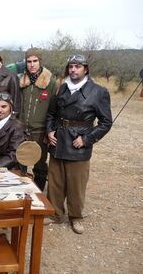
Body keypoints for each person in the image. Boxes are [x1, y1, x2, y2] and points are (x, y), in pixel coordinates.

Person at [46, 54, 112, 234]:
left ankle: (75, 217)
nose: (73, 70)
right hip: (58, 140)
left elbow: (106, 122)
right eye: (71, 66)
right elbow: (51, 114)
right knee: (55, 182)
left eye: (77, 66)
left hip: (78, 143)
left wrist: (87, 139)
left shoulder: (98, 92)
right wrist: (49, 131)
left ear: (86, 69)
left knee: (76, 184)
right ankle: (55, 214)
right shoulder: (62, 89)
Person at [19, 48, 58, 191]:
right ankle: (20, 193)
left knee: (40, 165)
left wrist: (50, 130)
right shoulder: (22, 81)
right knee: (20, 161)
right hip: (22, 129)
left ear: (40, 62)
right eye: (29, 61)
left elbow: (54, 110)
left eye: (35, 61)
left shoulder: (50, 82)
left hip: (40, 130)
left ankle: (38, 192)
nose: (32, 64)